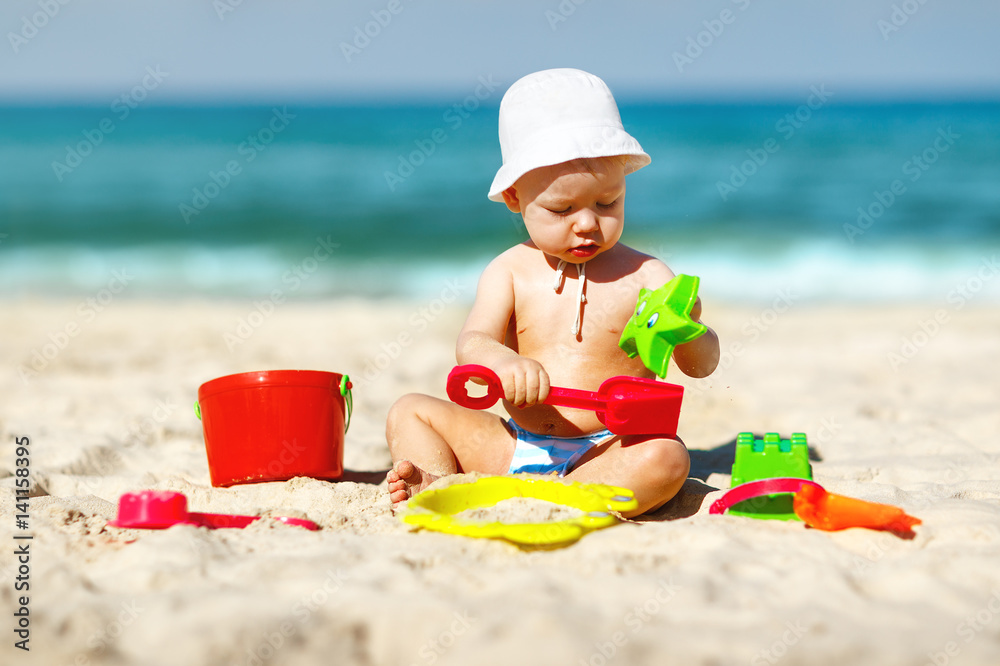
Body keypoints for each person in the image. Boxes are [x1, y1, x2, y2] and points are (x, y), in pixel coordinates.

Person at [385, 69, 720, 516]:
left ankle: (563, 494)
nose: (587, 223)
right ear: (513, 197)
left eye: (608, 203)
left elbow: (701, 367)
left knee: (667, 457)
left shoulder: (647, 274)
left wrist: (690, 330)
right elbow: (473, 343)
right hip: (515, 446)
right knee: (410, 409)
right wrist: (504, 361)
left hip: (606, 450)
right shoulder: (509, 271)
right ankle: (436, 479)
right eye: (561, 208)